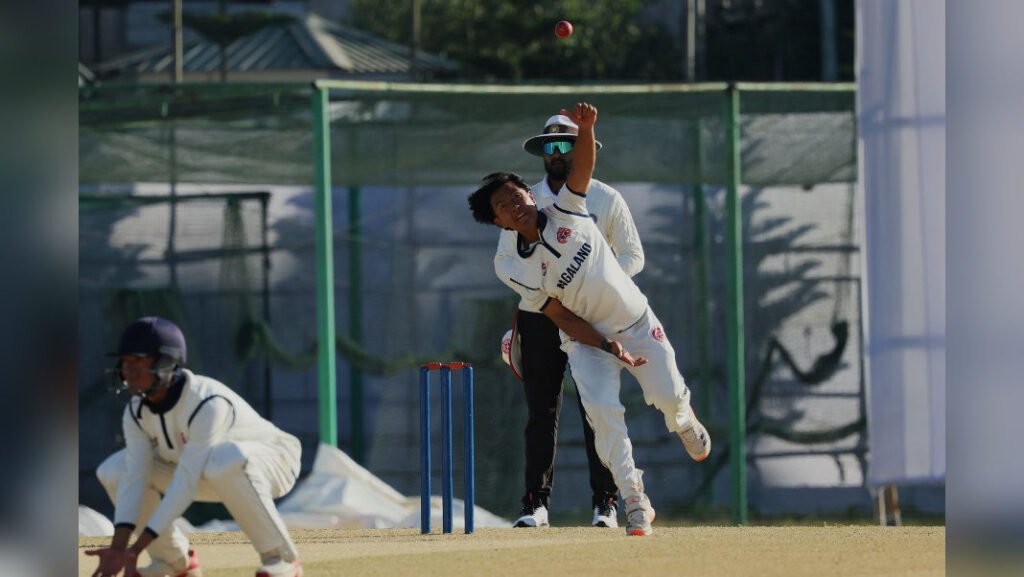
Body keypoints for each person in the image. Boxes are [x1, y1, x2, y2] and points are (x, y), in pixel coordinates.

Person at [468, 103, 711, 536]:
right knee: (601, 412)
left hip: (634, 320)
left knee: (669, 398)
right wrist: (601, 343)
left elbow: (586, 167)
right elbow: (558, 313)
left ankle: (683, 419)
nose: (516, 207)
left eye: (517, 197)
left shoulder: (569, 205)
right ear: (498, 221)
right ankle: (634, 499)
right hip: (582, 338)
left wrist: (589, 126)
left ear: (530, 193)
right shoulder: (513, 265)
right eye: (504, 207)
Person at [494, 113, 645, 528]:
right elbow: (508, 260)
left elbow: (634, 256)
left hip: (593, 314)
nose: (558, 154)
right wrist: (540, 296)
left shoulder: (606, 199)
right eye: (550, 146)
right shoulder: (523, 200)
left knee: (597, 408)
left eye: (567, 146)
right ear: (542, 153)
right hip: (541, 317)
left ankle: (606, 504)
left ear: (585, 150)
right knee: (541, 412)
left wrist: (594, 284)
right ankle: (535, 505)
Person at [86, 317, 304, 577]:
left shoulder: (207, 401)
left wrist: (137, 547)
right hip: (207, 472)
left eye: (136, 362)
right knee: (114, 470)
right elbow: (134, 478)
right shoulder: (135, 412)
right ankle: (175, 560)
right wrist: (119, 548)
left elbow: (185, 483)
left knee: (224, 459)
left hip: (275, 461)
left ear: (166, 363)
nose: (126, 371)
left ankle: (282, 558)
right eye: (124, 362)